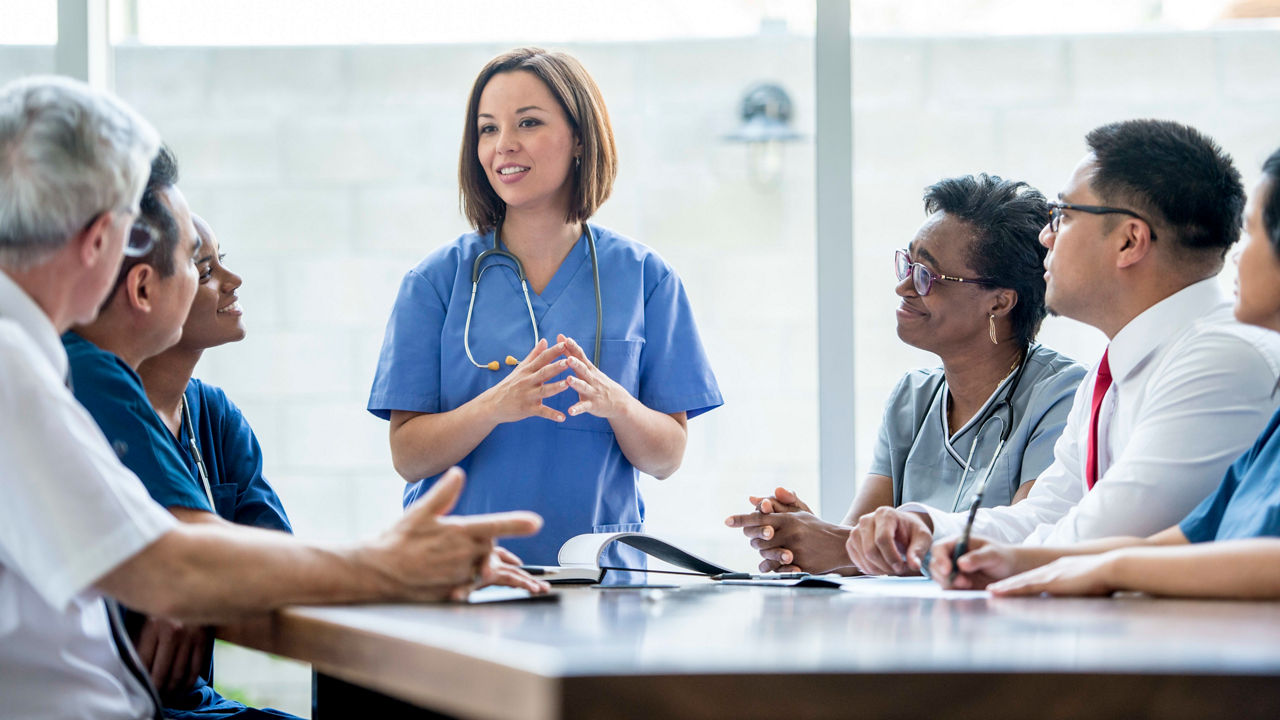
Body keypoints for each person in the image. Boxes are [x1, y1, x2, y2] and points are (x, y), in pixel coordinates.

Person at [0, 76, 546, 720]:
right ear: (98, 242)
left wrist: (199, 576)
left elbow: (174, 556)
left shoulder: (47, 363)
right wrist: (395, 563)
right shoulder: (18, 366)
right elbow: (168, 565)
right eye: (130, 233)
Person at [845, 119, 1280, 577]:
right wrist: (929, 528)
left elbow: (1101, 534)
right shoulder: (1114, 369)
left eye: (1065, 216)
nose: (1045, 236)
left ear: (1129, 241)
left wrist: (966, 551)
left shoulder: (1222, 360)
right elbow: (1047, 512)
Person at [368, 48, 723, 569]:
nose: (503, 146)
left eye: (528, 123)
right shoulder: (435, 282)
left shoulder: (646, 278)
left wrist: (616, 403)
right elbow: (409, 457)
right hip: (460, 578)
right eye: (487, 129)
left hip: (598, 576)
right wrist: (495, 405)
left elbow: (666, 458)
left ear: (580, 137)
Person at [724, 175, 1084, 574]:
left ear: (999, 302)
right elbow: (855, 548)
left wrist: (835, 544)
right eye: (907, 264)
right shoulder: (913, 396)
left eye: (926, 275)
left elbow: (1030, 541)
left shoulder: (1063, 396)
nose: (903, 286)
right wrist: (803, 539)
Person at [67, 147, 294, 716]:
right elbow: (199, 558)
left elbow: (274, 559)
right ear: (143, 288)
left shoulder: (213, 416)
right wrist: (191, 572)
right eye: (202, 265)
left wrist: (197, 582)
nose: (228, 281)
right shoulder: (83, 378)